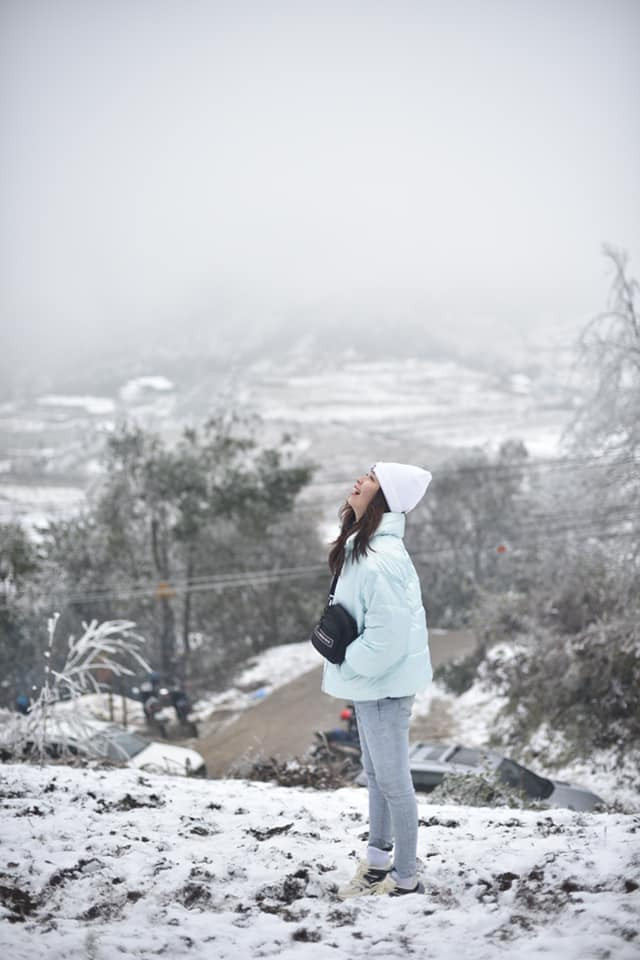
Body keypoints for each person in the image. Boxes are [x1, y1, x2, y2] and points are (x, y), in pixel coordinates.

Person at [321, 460, 433, 897]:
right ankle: (377, 861)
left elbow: (387, 640)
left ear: (384, 495)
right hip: (374, 686)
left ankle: (404, 879)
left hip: (382, 686)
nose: (358, 480)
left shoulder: (380, 559)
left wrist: (348, 664)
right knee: (376, 774)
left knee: (394, 783)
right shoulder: (364, 547)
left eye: (370, 477)